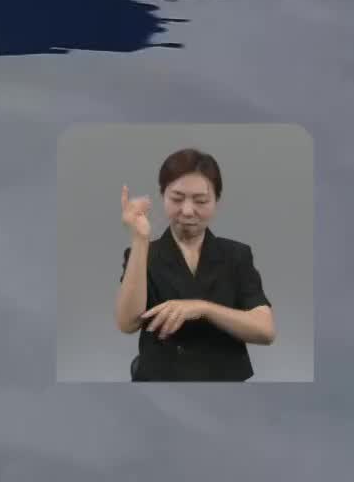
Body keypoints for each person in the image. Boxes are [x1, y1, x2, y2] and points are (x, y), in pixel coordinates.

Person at [114, 148, 276, 381]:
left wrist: (203, 308)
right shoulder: (142, 254)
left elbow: (266, 330)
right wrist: (140, 239)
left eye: (200, 200)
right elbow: (127, 323)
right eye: (177, 199)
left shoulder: (236, 255)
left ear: (216, 201)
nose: (188, 211)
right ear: (162, 196)